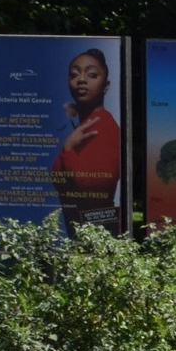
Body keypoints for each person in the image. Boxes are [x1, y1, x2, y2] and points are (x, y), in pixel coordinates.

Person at [50, 47, 122, 233]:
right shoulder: (84, 127)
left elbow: (92, 187)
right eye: (74, 75)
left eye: (91, 75)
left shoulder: (103, 125)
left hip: (98, 231)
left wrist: (68, 150)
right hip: (81, 232)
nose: (81, 80)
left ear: (106, 86)